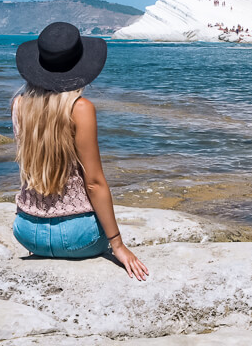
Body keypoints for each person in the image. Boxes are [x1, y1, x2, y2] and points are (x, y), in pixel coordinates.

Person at [12, 22, 149, 280]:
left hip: (26, 232)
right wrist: (117, 245)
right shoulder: (80, 108)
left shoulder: (19, 104)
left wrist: (39, 234)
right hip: (78, 237)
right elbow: (94, 183)